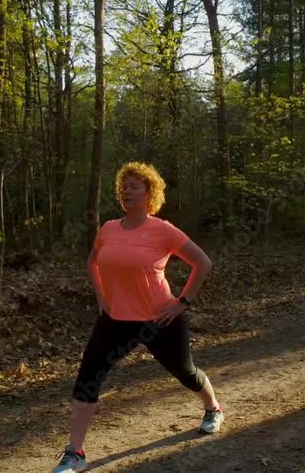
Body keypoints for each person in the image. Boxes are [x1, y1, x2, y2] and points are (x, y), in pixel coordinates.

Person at [52, 162, 224, 473]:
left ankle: (212, 408)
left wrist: (182, 302)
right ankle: (74, 452)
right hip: (115, 319)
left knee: (184, 371)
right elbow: (93, 262)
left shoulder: (163, 230)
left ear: (150, 193)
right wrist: (101, 296)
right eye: (123, 186)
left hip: (159, 319)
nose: (126, 191)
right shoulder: (108, 229)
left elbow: (203, 262)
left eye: (134, 186)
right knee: (88, 379)